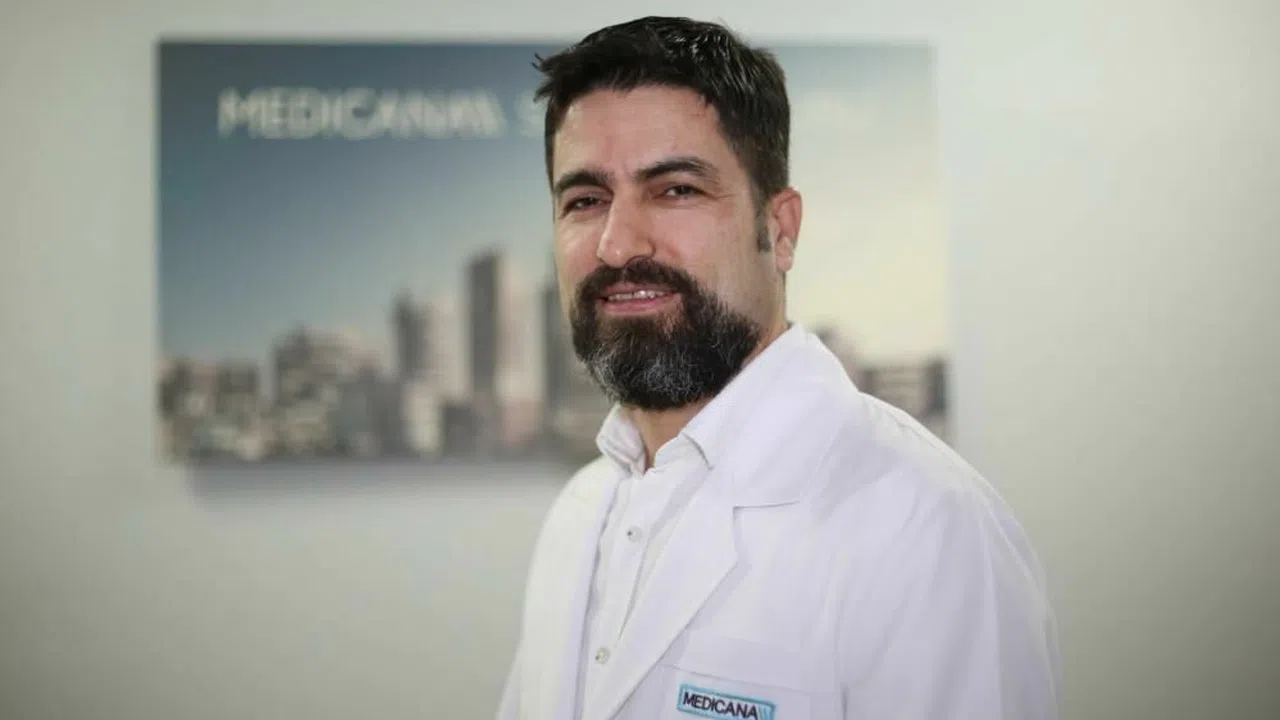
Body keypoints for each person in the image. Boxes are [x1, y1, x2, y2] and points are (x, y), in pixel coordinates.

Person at [497, 15, 1060, 720]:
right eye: (585, 200)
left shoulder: (928, 526)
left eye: (675, 189)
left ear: (781, 229)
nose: (617, 244)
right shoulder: (581, 514)